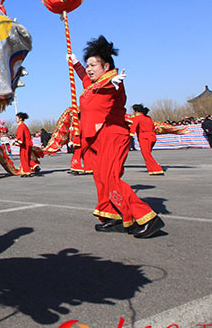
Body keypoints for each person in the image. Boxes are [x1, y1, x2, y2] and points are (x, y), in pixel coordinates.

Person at [69, 36, 164, 238]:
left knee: (111, 179)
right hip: (94, 138)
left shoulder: (112, 82)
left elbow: (113, 88)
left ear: (106, 66)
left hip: (111, 135)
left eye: (93, 64)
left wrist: (114, 82)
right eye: (88, 65)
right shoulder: (92, 85)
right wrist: (75, 62)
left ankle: (147, 216)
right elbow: (83, 76)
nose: (89, 68)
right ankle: (113, 216)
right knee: (101, 179)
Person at [130, 104, 164, 175]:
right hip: (152, 137)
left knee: (146, 154)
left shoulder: (137, 118)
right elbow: (153, 126)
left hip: (144, 138)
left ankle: (157, 168)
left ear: (135, 111)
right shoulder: (148, 118)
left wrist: (129, 135)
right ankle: (151, 170)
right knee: (147, 154)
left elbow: (133, 128)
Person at [15, 112, 35, 177]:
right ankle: (26, 171)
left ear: (20, 119)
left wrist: (16, 140)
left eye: (17, 118)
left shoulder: (21, 126)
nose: (16, 119)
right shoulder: (23, 125)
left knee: (24, 158)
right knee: (26, 158)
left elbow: (20, 135)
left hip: (25, 144)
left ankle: (27, 172)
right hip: (27, 143)